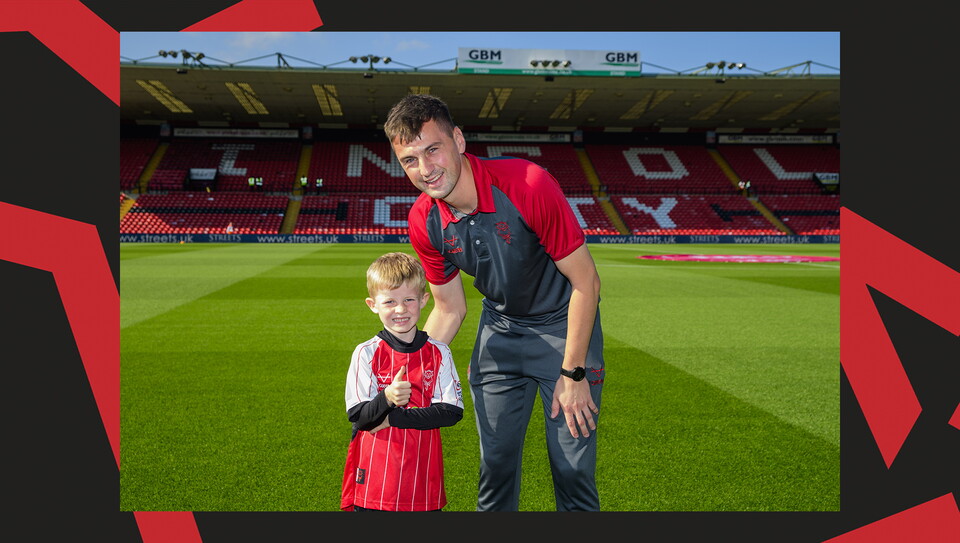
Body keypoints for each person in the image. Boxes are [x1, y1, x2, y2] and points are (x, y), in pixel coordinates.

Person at [385, 94, 605, 511]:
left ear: (459, 140)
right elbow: (449, 308)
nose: (425, 170)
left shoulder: (527, 184)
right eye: (410, 160)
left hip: (564, 327)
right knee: (495, 467)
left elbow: (587, 283)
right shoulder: (422, 220)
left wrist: (574, 373)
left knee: (571, 469)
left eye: (433, 149)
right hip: (500, 334)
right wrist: (409, 371)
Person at [340, 251, 464, 512]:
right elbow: (359, 416)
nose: (400, 309)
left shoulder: (438, 351)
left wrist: (392, 418)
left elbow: (451, 412)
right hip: (375, 483)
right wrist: (387, 397)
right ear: (372, 304)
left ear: (424, 300)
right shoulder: (366, 352)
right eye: (389, 302)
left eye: (409, 299)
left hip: (423, 482)